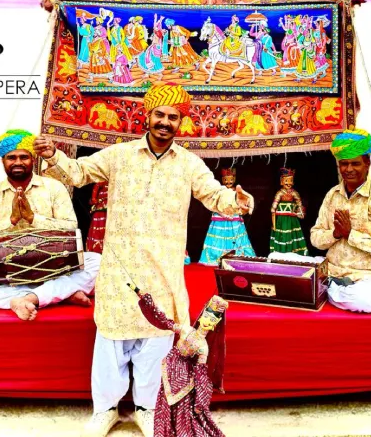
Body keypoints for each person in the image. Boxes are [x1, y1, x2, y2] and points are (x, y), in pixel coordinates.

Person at [34, 84, 254, 437]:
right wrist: (53, 156)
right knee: (112, 342)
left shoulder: (189, 164)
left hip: (163, 269)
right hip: (120, 269)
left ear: (180, 122)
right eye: (160, 115)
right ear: (147, 116)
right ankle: (104, 411)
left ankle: (146, 409)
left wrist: (238, 201)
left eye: (173, 117)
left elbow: (214, 195)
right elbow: (77, 173)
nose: (165, 122)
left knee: (156, 342)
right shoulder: (119, 155)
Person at [0, 129, 101, 321]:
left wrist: (32, 218)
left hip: (56, 267)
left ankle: (28, 299)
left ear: (33, 158)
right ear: (3, 161)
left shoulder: (54, 187)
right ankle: (60, 294)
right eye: (11, 157)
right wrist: (10, 221)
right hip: (11, 271)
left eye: (24, 157)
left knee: (97, 262)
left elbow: (72, 228)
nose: (18, 162)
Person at [310, 128, 371, 313]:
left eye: (355, 163)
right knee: (278, 259)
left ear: (367, 163)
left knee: (359, 299)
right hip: (333, 271)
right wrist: (335, 234)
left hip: (370, 279)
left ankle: (327, 292)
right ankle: (329, 289)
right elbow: (315, 237)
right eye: (344, 164)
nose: (349, 169)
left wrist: (351, 235)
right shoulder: (332, 195)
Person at [133, 289, 229, 437]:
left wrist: (200, 401)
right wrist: (146, 300)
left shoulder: (203, 347)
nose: (207, 320)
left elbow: (201, 374)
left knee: (182, 410)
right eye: (207, 315)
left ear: (215, 324)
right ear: (202, 315)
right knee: (164, 403)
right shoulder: (186, 330)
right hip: (170, 368)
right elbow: (163, 322)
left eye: (212, 319)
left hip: (185, 378)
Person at [199, 168, 256, 265]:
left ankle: (237, 255)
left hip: (234, 217)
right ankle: (218, 256)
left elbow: (241, 206)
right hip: (220, 217)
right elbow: (214, 204)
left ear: (234, 179)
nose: (228, 182)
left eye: (231, 179)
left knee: (237, 237)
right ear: (222, 180)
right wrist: (223, 213)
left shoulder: (237, 192)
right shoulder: (219, 191)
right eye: (226, 179)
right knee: (218, 237)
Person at [270, 168, 307, 255]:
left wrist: (300, 210)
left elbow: (299, 203)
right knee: (283, 234)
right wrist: (273, 209)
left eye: (291, 181)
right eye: (286, 181)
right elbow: (275, 203)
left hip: (292, 218)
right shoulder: (280, 193)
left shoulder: (294, 193)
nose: (289, 183)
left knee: (292, 234)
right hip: (281, 218)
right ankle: (281, 252)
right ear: (281, 181)